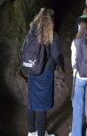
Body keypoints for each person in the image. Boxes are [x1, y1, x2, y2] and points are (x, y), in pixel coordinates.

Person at [25, 8, 64, 136]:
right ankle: (41, 134)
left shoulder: (31, 31)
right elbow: (56, 54)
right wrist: (61, 65)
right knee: (41, 105)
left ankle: (31, 132)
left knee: (32, 102)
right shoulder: (53, 35)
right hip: (45, 73)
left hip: (32, 70)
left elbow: (24, 49)